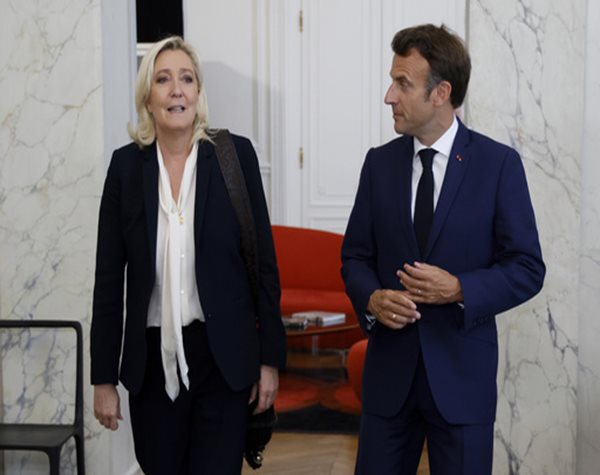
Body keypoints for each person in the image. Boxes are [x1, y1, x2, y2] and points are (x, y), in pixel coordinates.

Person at [341, 24, 545, 474]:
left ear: (441, 93)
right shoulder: (379, 164)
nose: (389, 96)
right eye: (392, 82)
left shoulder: (498, 165)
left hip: (462, 382)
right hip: (388, 385)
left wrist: (459, 288)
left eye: (402, 84)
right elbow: (355, 256)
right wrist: (372, 298)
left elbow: (527, 267)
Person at [90, 36, 286, 474]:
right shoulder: (125, 168)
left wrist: (269, 360)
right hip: (151, 367)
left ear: (198, 92)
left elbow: (265, 266)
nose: (176, 90)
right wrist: (103, 378)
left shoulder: (235, 157)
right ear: (148, 97)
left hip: (223, 360)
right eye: (163, 80)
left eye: (187, 79)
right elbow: (108, 280)